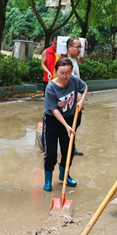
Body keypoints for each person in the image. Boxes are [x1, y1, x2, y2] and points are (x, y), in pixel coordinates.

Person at [43, 58, 88, 191]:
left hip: (69, 119)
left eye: (68, 72)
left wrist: (81, 101)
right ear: (56, 71)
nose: (65, 76)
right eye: (61, 73)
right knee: (50, 153)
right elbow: (54, 110)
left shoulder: (74, 80)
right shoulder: (51, 87)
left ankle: (64, 175)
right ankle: (48, 180)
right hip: (53, 121)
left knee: (68, 151)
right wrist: (66, 126)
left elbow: (85, 87)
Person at [64, 37, 85, 156]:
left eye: (80, 47)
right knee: (72, 124)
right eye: (77, 47)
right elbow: (70, 83)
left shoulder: (75, 59)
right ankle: (69, 149)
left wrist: (85, 47)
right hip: (72, 99)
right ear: (69, 47)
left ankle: (71, 147)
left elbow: (82, 57)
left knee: (76, 123)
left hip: (76, 98)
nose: (79, 50)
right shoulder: (67, 62)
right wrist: (78, 99)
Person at [38, 34, 59, 152]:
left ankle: (53, 137)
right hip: (48, 82)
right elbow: (43, 64)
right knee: (48, 109)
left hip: (60, 83)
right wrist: (48, 72)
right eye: (54, 43)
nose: (56, 46)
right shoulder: (47, 51)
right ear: (52, 42)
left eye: (58, 43)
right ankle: (44, 138)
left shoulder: (63, 53)